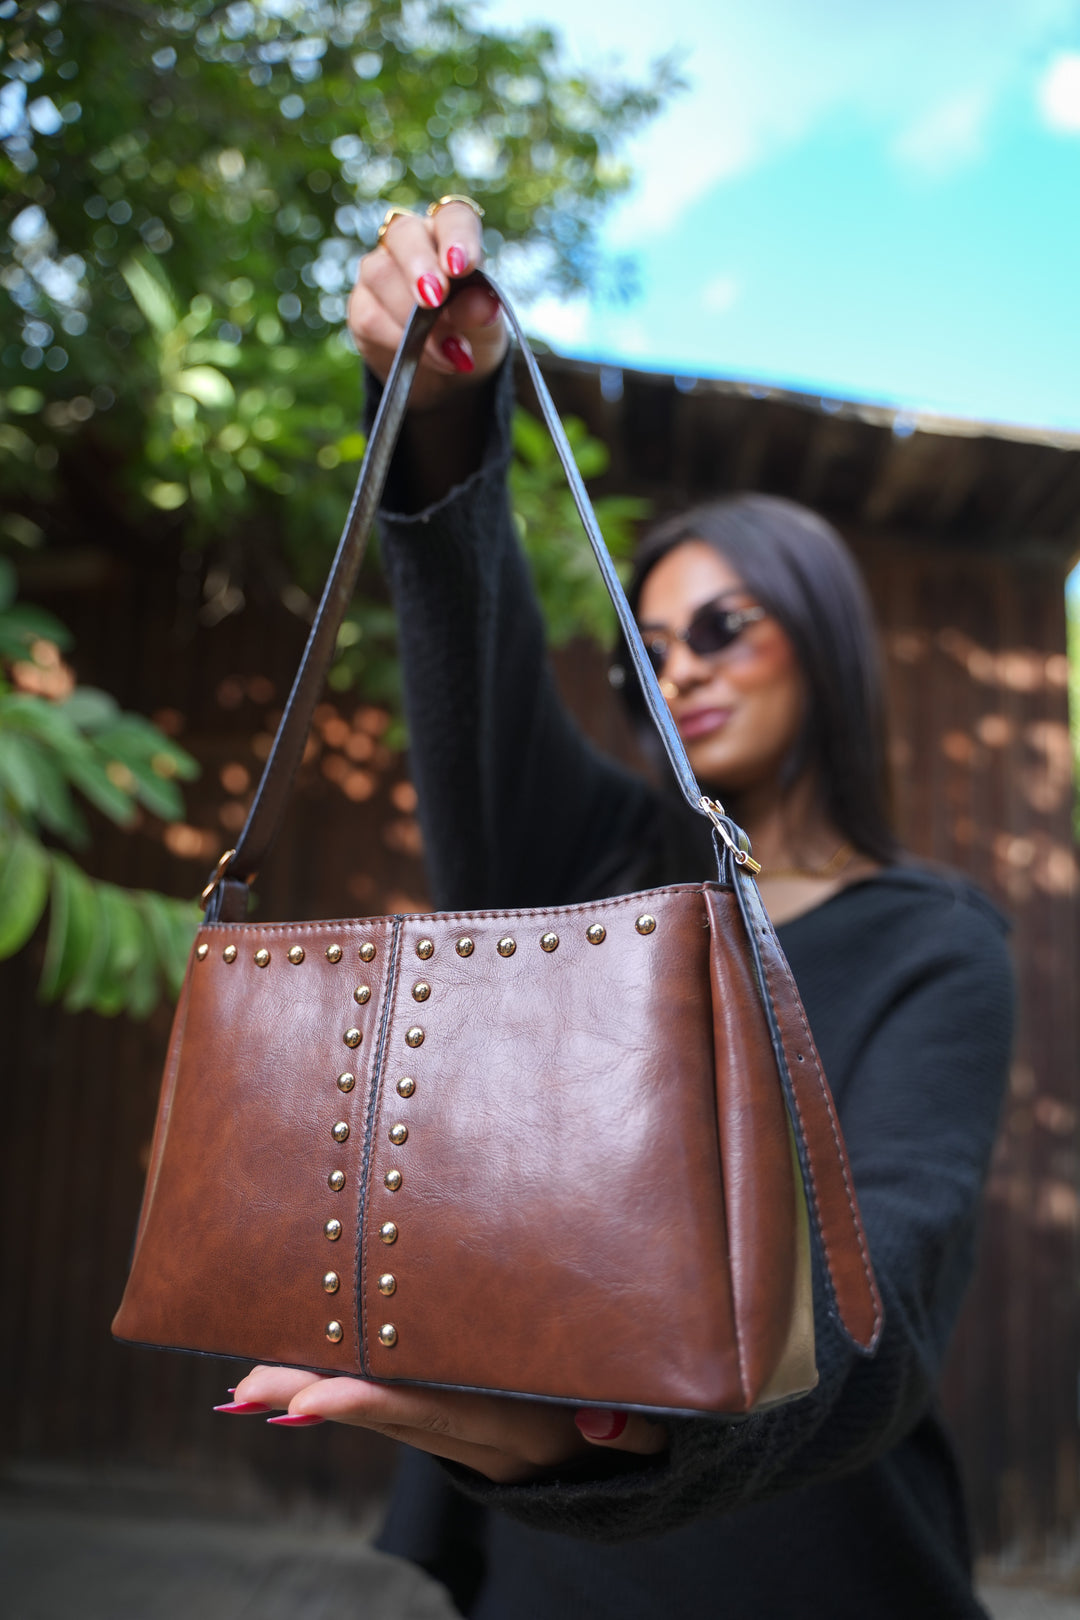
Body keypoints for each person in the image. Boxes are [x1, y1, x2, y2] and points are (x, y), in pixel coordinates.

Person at [231, 200, 1014, 1619]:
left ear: (822, 643)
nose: (684, 669)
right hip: (552, 1561)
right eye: (651, 648)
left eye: (724, 626)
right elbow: (480, 724)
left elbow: (893, 1264)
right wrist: (447, 420)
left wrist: (665, 1421)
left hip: (812, 1555)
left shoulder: (937, 938)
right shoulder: (613, 870)